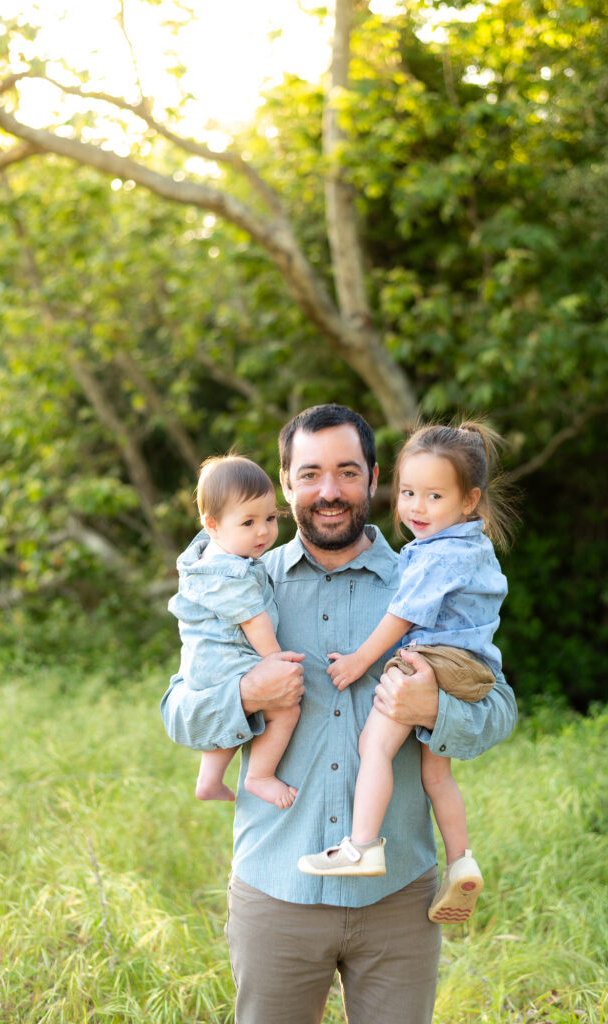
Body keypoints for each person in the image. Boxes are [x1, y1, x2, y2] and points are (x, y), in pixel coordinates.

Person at [160, 404, 518, 1024]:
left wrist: (432, 708)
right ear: (286, 481)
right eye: (311, 474)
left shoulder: (425, 578)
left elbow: (499, 708)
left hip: (397, 899)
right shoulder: (241, 582)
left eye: (347, 472)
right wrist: (247, 695)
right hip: (275, 892)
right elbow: (179, 712)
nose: (329, 491)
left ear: (375, 478)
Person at [298, 422, 513, 926]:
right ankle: (462, 861)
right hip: (468, 664)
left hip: (437, 660)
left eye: (434, 496)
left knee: (374, 745)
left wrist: (359, 662)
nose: (417, 507)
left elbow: (402, 616)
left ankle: (362, 845)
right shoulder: (467, 546)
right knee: (435, 772)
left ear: (469, 501)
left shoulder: (437, 555)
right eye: (410, 492)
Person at [168, 455, 301, 809]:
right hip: (226, 658)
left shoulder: (209, 561)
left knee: (236, 712)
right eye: (248, 522)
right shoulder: (231, 573)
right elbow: (253, 620)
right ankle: (260, 775)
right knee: (284, 709)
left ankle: (209, 779)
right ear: (212, 525)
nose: (264, 531)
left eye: (271, 518)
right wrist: (274, 660)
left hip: (206, 664)